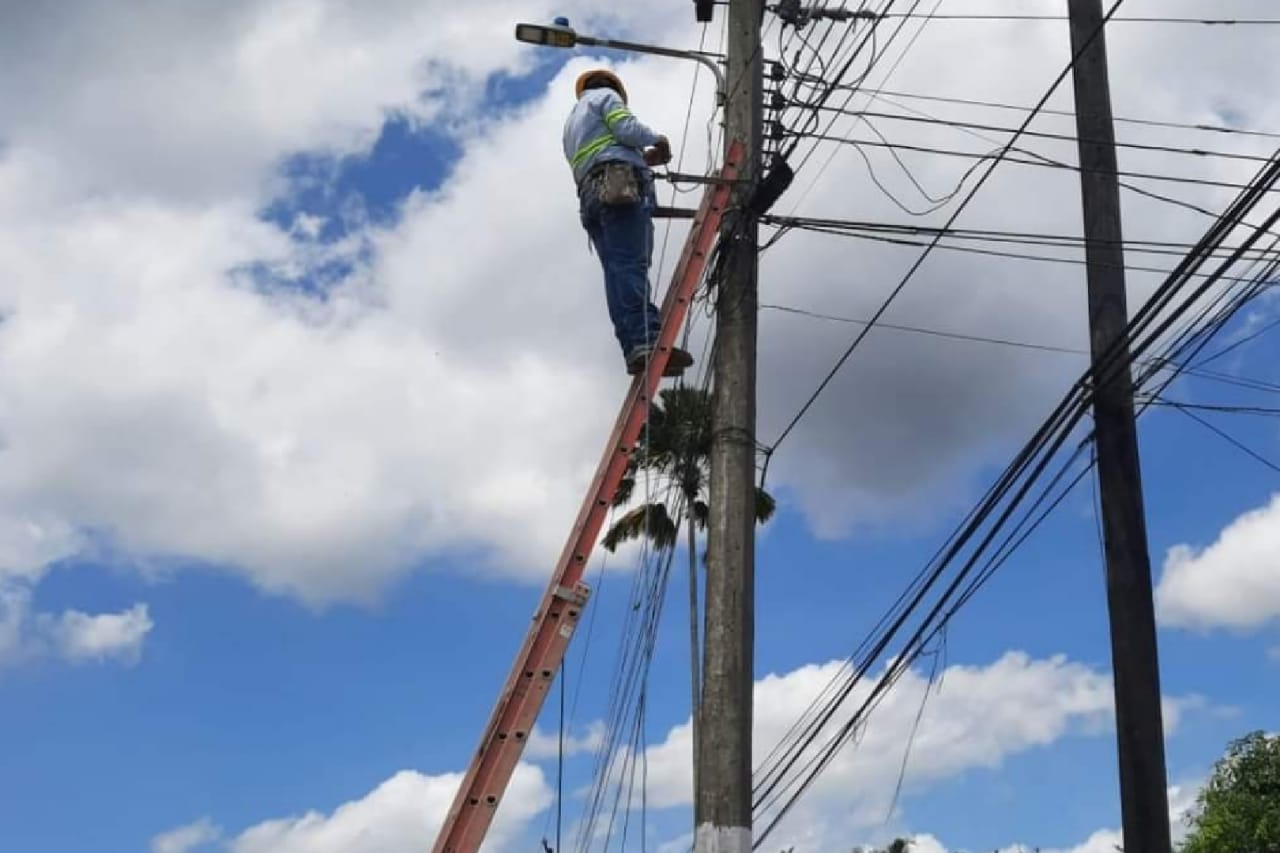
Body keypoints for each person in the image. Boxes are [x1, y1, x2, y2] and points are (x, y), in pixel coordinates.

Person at [563, 68, 694, 377]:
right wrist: (656, 139)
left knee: (616, 270)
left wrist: (645, 158)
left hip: (592, 196)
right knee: (631, 264)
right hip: (617, 185)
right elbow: (626, 128)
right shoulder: (605, 98)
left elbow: (601, 151)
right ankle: (645, 340)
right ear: (615, 89)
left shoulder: (573, 122)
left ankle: (632, 345)